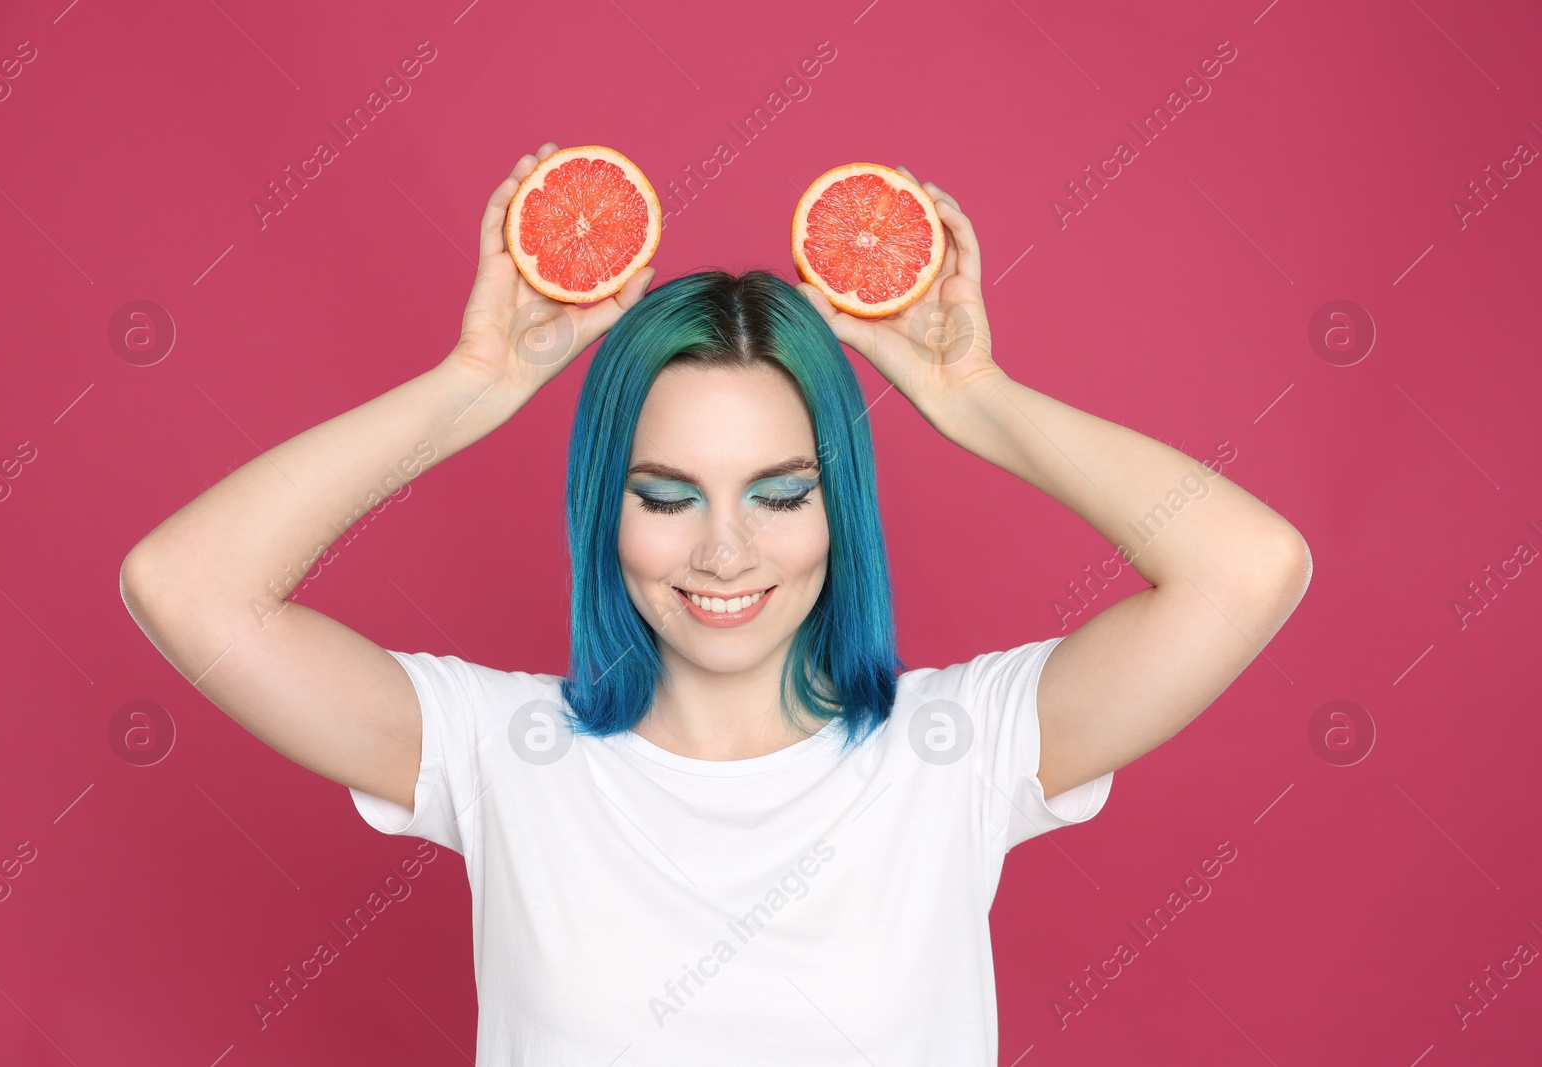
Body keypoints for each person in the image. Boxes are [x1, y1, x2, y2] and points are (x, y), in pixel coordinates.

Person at [119, 143, 1311, 1065]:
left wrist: (972, 394)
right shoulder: (501, 752)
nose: (725, 549)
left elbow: (1248, 566)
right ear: (607, 508)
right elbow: (187, 584)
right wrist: (473, 385)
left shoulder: (959, 749)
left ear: (838, 506)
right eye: (668, 493)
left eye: (782, 493)